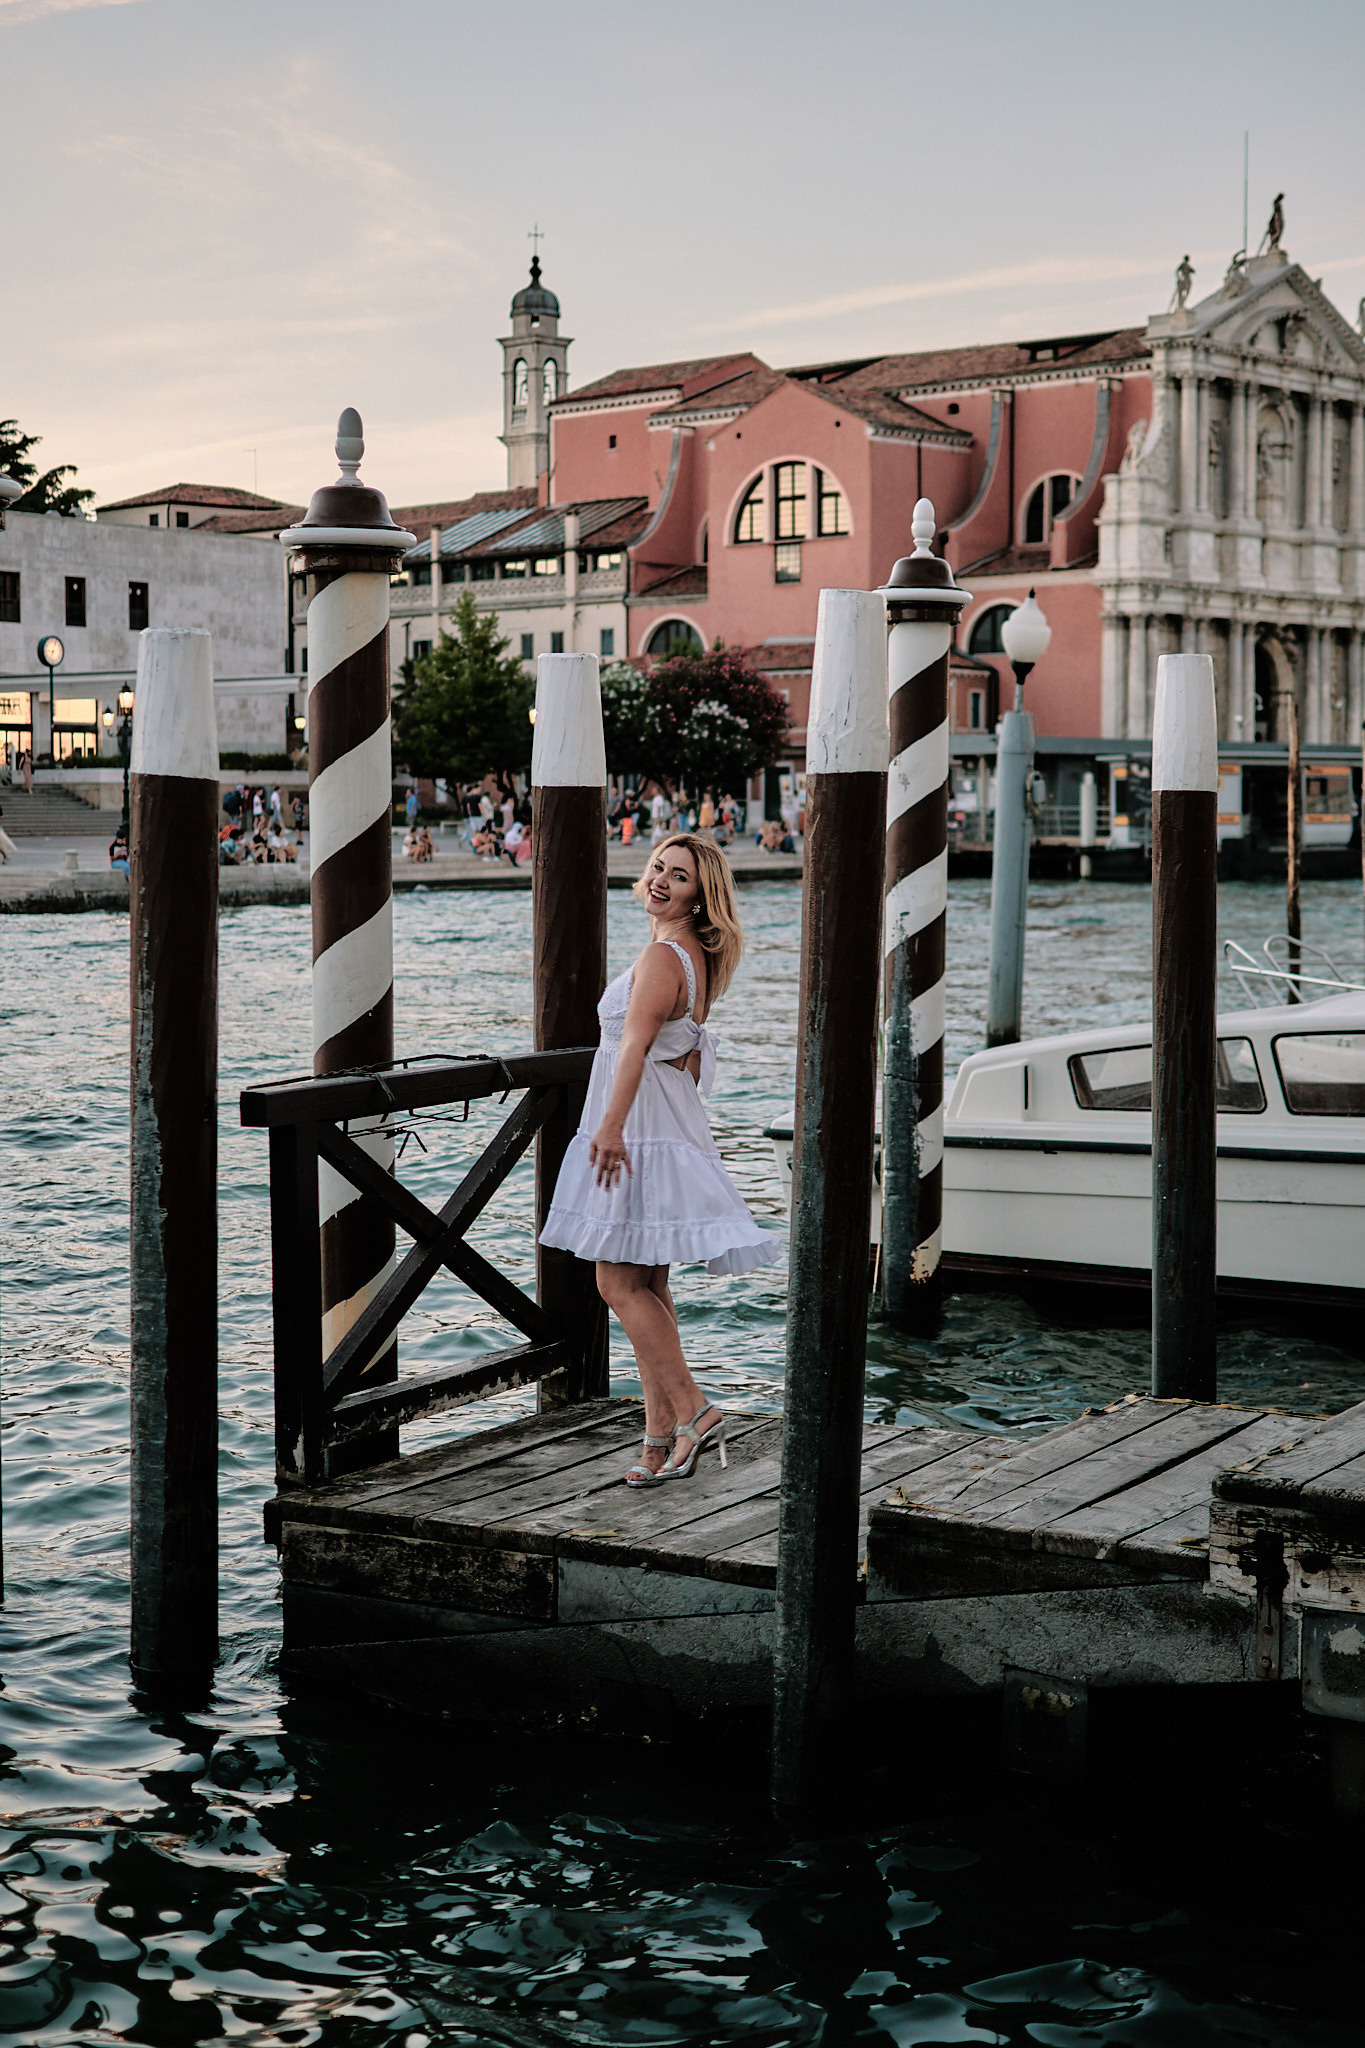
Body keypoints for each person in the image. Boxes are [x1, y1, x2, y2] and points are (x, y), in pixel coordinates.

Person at [539, 834, 782, 1485]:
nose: (660, 880)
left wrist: (610, 1128)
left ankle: (695, 1411)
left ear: (700, 895)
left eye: (677, 876)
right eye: (657, 868)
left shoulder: (661, 956)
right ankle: (658, 1439)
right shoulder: (695, 957)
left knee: (615, 1284)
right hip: (662, 1122)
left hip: (638, 1127)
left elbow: (635, 1049)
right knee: (646, 1286)